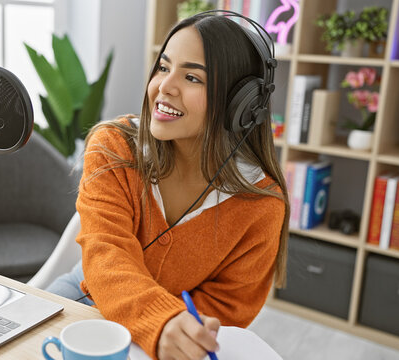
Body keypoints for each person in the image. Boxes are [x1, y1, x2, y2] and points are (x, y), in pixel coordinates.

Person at [46, 12, 289, 360]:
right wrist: (158, 320)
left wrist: (176, 328)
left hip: (177, 333)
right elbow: (105, 254)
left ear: (240, 105)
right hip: (89, 296)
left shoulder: (261, 205)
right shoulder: (113, 147)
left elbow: (231, 305)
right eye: (163, 67)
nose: (164, 86)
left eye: (191, 76)